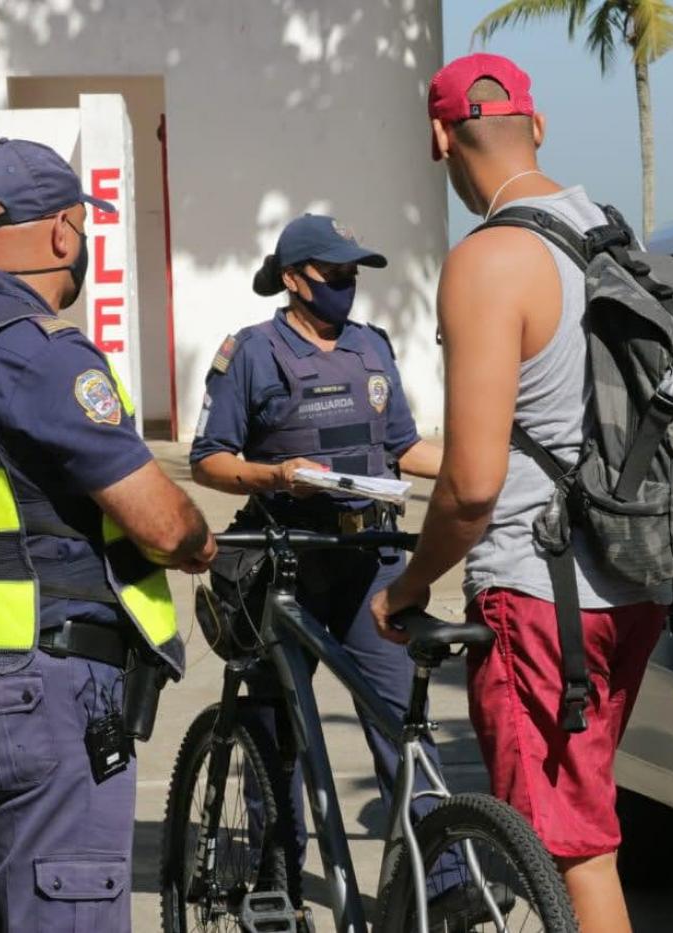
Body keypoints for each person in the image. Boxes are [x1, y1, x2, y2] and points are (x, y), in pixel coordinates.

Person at [371, 53, 669, 933]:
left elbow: (470, 484)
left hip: (542, 599)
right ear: (538, 126)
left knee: (569, 853)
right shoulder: (610, 235)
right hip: (633, 579)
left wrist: (409, 584)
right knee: (585, 829)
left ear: (439, 138)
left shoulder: (491, 259)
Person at [0, 138, 215, 932]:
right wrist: (203, 545)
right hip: (48, 689)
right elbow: (162, 523)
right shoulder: (38, 353)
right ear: (64, 232)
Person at [191, 213, 493, 922]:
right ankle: (279, 885)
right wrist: (273, 476)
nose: (347, 288)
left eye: (354, 275)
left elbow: (404, 446)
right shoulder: (252, 353)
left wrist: (475, 465)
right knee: (276, 744)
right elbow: (209, 458)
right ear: (294, 280)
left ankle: (444, 883)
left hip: (369, 564)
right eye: (333, 276)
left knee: (402, 726)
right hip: (286, 565)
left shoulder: (371, 348)